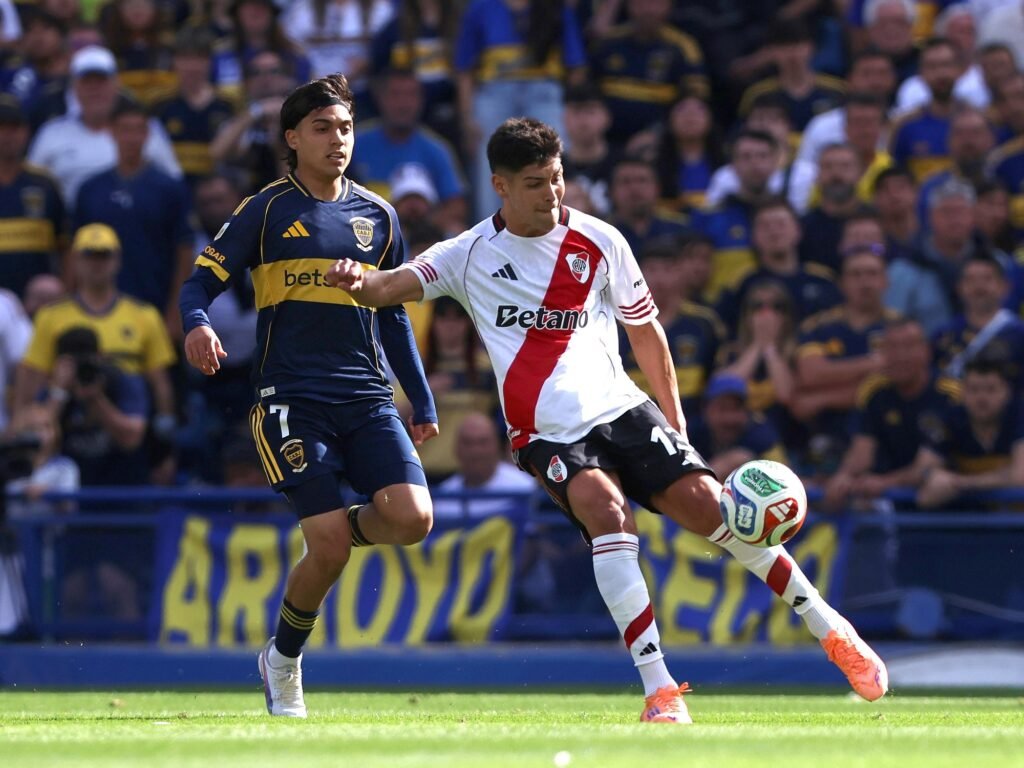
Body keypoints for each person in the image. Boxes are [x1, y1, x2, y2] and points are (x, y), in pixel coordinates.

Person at [326, 116, 888, 723]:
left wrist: (675, 421)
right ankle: (660, 689)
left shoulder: (599, 240)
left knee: (714, 510)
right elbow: (392, 286)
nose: (552, 193)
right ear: (501, 186)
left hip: (622, 407)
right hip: (544, 430)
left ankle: (832, 629)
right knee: (608, 514)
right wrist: (359, 280)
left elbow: (645, 332)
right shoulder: (468, 254)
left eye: (557, 178)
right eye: (536, 183)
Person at [179, 73, 438, 719]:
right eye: (323, 128)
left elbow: (394, 316)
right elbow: (198, 284)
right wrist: (198, 325)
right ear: (292, 138)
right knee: (327, 548)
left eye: (345, 127)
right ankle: (284, 662)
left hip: (367, 397)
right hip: (289, 397)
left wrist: (422, 400)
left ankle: (331, 533)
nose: (337, 139)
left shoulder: (379, 216)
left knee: (413, 519)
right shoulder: (266, 209)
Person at [824, 317, 961, 509]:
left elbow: (927, 467)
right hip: (893, 500)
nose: (900, 356)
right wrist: (844, 476)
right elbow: (862, 452)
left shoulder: (949, 395)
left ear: (926, 351)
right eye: (892, 347)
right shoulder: (874, 390)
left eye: (908, 346)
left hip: (950, 501)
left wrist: (884, 483)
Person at [911, 355, 1024, 508]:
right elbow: (922, 471)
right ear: (962, 392)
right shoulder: (949, 420)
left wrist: (960, 483)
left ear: (1007, 392)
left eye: (991, 389)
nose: (981, 398)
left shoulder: (1019, 415)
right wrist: (932, 477)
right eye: (973, 390)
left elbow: (1020, 477)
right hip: (975, 518)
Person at [432, 411, 537, 520]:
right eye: (468, 442)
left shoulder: (525, 487)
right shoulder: (443, 499)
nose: (476, 451)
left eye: (483, 442)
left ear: (497, 445)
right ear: (456, 449)